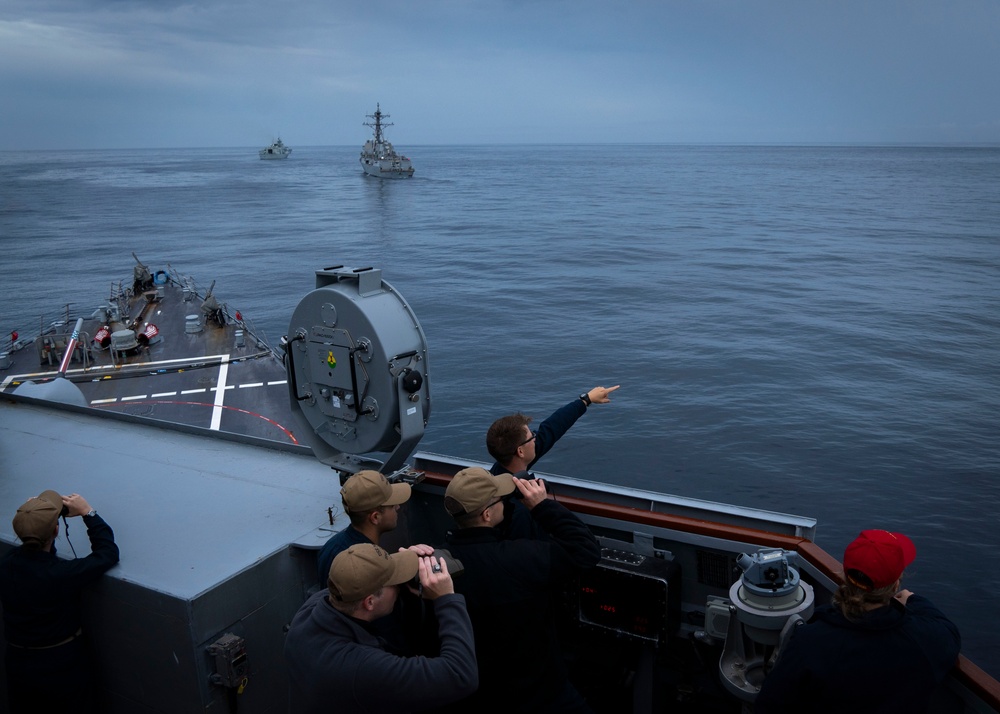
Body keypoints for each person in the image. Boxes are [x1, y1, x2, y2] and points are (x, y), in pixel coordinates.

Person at [443, 467, 601, 713]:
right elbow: (585, 550)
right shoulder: (521, 559)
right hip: (540, 691)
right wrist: (542, 506)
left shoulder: (438, 566)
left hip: (479, 691)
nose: (505, 505)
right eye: (501, 501)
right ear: (487, 514)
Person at [754, 529, 961, 713]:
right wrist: (914, 600)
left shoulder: (812, 642)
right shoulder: (925, 640)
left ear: (844, 574)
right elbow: (949, 632)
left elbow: (770, 705)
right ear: (896, 584)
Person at [284, 543, 478, 714]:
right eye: (395, 582)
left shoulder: (312, 609)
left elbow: (358, 578)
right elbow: (460, 674)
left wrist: (406, 561)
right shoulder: (360, 668)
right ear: (369, 602)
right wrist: (445, 599)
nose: (399, 586)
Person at [0, 490, 120, 714]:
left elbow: (35, 550)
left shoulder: (7, 564)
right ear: (56, 530)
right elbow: (107, 553)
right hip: (61, 666)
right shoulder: (62, 574)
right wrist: (88, 513)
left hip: (18, 662)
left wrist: (31, 517)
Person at [487, 385, 619, 540]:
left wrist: (585, 400)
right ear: (520, 452)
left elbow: (552, 428)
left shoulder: (504, 466)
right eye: (532, 437)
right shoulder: (516, 510)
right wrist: (542, 507)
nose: (536, 437)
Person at [316, 469, 411, 587]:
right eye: (392, 506)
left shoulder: (332, 545)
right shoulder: (364, 565)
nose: (398, 507)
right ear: (375, 517)